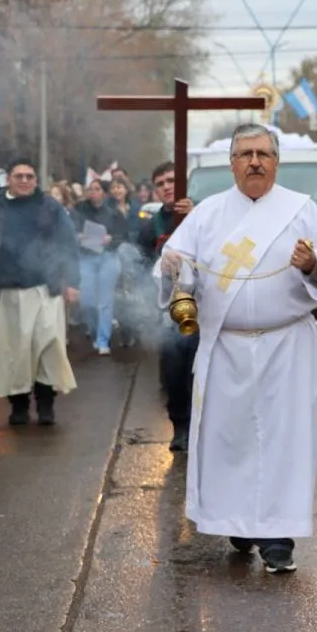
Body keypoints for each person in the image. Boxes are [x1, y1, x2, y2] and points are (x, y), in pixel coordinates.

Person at [157, 123, 317, 573]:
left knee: (282, 439)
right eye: (245, 154)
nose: (255, 162)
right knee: (232, 439)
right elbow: (177, 270)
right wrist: (170, 267)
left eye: (263, 153)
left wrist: (313, 263)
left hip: (286, 346)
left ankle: (278, 536)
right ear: (232, 163)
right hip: (227, 346)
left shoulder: (301, 210)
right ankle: (239, 523)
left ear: (277, 161)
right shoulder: (207, 214)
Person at [0, 159, 79, 426]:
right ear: (8, 179)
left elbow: (68, 244)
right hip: (5, 290)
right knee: (12, 353)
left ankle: (46, 405)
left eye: (29, 176)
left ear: (35, 180)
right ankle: (18, 406)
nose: (24, 181)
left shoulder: (50, 207)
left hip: (45, 288)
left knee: (48, 347)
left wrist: (72, 282)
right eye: (18, 176)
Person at [140, 161, 197, 452]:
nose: (167, 187)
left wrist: (193, 217)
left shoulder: (202, 215)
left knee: (199, 372)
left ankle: (205, 427)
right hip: (167, 310)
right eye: (160, 183)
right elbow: (140, 261)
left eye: (172, 181)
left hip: (202, 307)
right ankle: (180, 426)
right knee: (173, 373)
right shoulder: (152, 225)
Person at [74, 179, 128, 356]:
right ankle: (96, 332)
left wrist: (111, 239)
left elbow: (124, 236)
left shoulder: (114, 212)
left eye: (97, 189)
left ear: (104, 193)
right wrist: (78, 236)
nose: (93, 192)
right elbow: (69, 231)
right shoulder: (79, 210)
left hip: (108, 257)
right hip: (86, 257)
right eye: (90, 189)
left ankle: (104, 339)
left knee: (105, 301)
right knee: (87, 301)